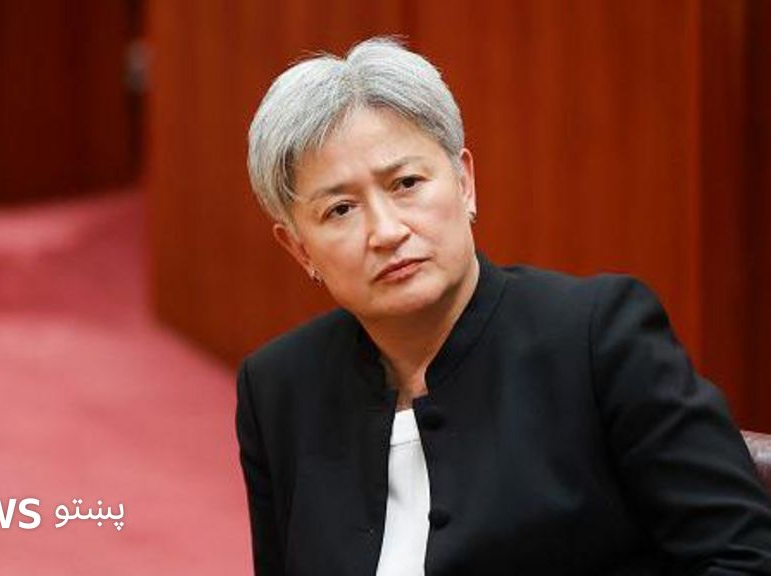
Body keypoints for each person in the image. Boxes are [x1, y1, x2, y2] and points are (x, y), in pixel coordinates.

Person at [236, 37, 771, 576]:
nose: (387, 231)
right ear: (299, 249)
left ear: (464, 182)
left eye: (406, 183)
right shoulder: (279, 386)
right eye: (340, 209)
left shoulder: (598, 337)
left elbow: (745, 557)